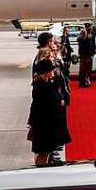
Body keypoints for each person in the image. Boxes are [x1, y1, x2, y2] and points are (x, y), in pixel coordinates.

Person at [28, 33, 71, 167]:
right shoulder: (43, 83)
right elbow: (47, 95)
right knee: (43, 150)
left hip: (46, 115)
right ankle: (41, 169)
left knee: (46, 148)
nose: (53, 71)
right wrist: (59, 99)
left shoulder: (43, 79)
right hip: (45, 117)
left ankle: (47, 162)